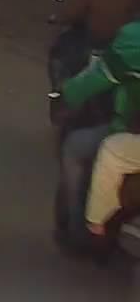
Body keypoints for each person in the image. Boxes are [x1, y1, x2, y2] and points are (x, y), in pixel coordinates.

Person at [62, 18, 140, 250]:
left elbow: (96, 78)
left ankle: (89, 229)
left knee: (77, 147)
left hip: (128, 129)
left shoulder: (134, 38)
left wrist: (65, 95)